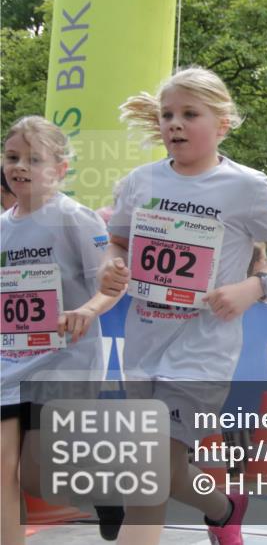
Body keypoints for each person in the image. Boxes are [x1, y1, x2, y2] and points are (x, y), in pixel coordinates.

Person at [98, 66, 267, 545]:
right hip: (144, 343)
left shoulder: (247, 185)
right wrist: (112, 265)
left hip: (202, 352)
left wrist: (254, 288)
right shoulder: (139, 182)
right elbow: (117, 242)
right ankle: (225, 506)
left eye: (190, 114)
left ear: (222, 124)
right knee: (162, 470)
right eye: (167, 114)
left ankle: (220, 509)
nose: (174, 123)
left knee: (147, 475)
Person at [1, 117, 125, 545]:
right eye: (13, 157)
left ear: (60, 169)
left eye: (34, 159)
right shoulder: (1, 226)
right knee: (3, 467)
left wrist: (88, 311)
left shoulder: (74, 218)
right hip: (11, 364)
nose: (20, 166)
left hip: (64, 361)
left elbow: (112, 285)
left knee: (38, 476)